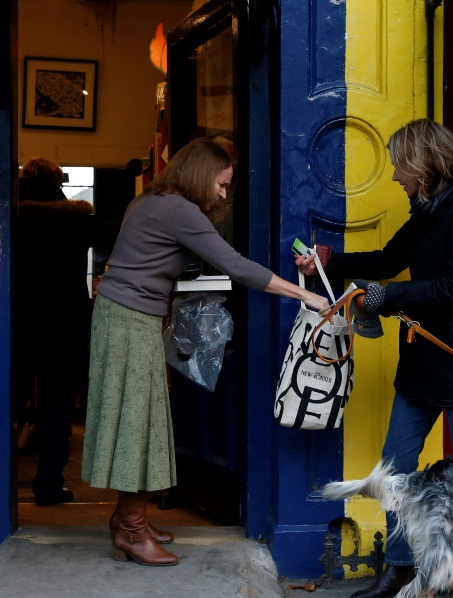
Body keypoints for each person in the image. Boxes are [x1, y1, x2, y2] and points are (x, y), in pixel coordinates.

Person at [295, 118, 453, 598]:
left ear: (424, 163)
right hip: (423, 361)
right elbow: (385, 258)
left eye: (401, 165)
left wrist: (389, 296)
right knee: (395, 469)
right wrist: (329, 261)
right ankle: (399, 567)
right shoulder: (427, 207)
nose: (396, 176)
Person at [84, 137, 330, 566]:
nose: (222, 194)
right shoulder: (181, 211)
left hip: (121, 316)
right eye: (221, 184)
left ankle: (127, 519)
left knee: (138, 418)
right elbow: (237, 265)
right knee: (138, 422)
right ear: (201, 175)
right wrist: (303, 295)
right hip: (129, 321)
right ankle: (133, 530)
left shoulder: (149, 200)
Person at [15, 157, 121, 506]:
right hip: (64, 321)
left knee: (10, 402)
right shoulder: (73, 218)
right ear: (57, 181)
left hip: (17, 319)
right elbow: (122, 234)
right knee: (56, 406)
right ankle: (48, 485)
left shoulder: (9, 215)